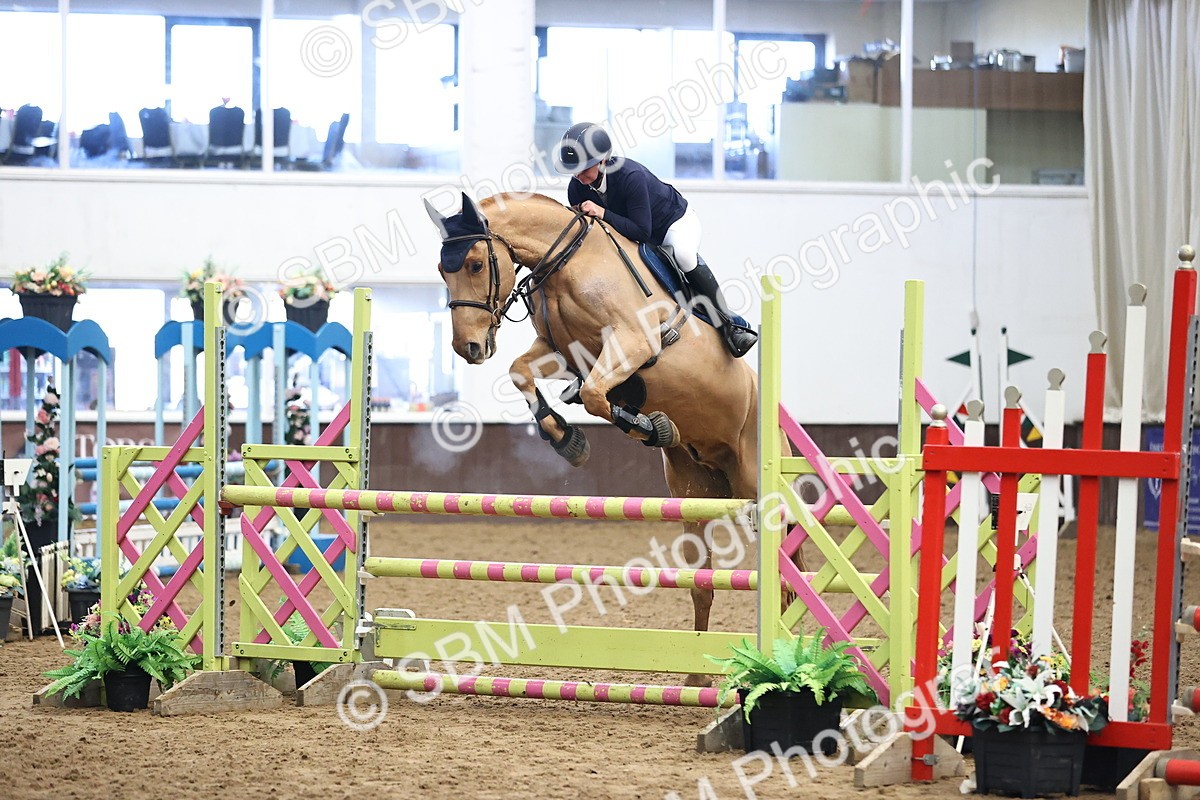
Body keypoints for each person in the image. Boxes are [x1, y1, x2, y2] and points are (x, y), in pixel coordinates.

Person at [554, 122, 757, 358]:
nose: (577, 176)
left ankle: (730, 323)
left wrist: (603, 213)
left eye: (583, 168)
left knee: (684, 255)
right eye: (573, 170)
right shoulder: (577, 188)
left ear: (602, 161)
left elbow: (642, 231)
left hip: (672, 224)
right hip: (633, 236)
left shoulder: (631, 176)